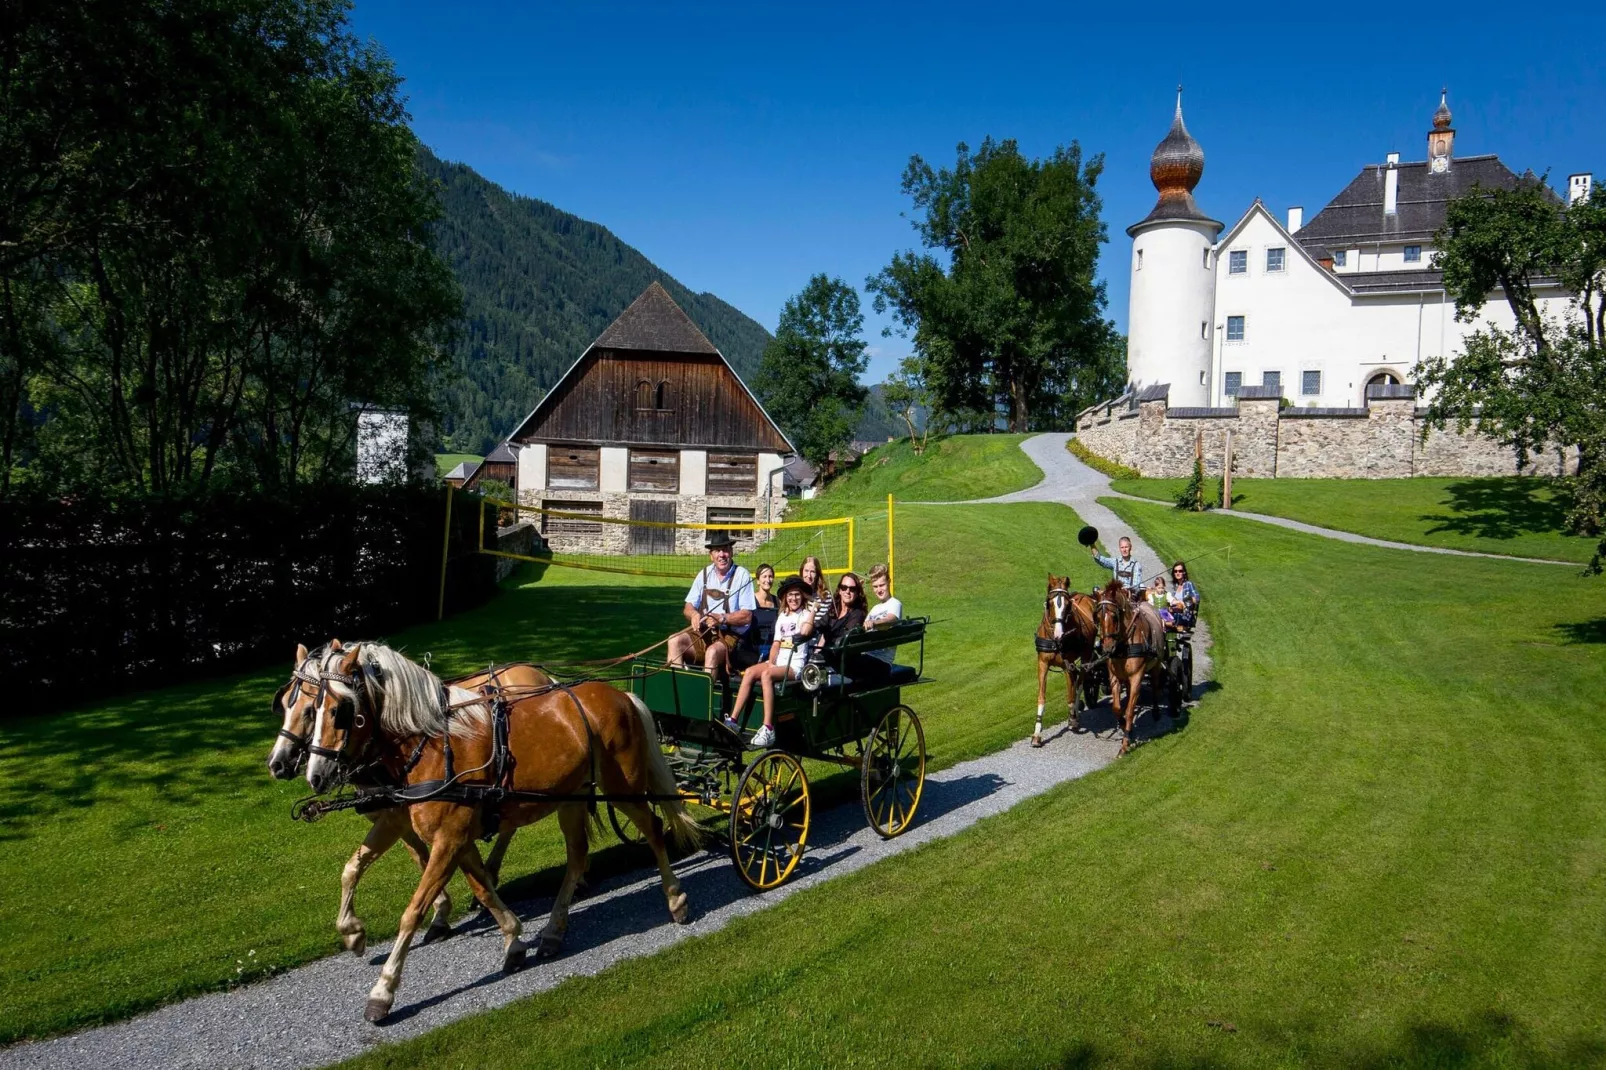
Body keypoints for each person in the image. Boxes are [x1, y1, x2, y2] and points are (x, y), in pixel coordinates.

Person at [725, 576, 814, 747]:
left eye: (796, 595)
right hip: (779, 662)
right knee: (750, 671)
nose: (793, 598)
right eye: (790, 595)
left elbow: (806, 631)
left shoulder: (805, 615)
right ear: (785, 598)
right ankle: (734, 720)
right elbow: (776, 644)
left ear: (802, 596)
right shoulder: (783, 617)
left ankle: (768, 727)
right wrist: (772, 660)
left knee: (766, 675)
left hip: (795, 666)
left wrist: (813, 610)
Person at [666, 531, 755, 675]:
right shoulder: (704, 574)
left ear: (731, 552)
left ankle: (704, 695)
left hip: (731, 636)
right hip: (704, 632)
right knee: (673, 640)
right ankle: (681, 690)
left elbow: (747, 616)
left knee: (712, 653)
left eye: (725, 550)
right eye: (717, 551)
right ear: (711, 555)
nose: (722, 555)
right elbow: (688, 607)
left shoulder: (742, 575)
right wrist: (694, 615)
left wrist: (722, 618)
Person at [731, 563, 779, 672]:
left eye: (770, 576)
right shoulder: (749, 601)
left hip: (772, 647)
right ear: (758, 580)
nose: (768, 579)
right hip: (752, 648)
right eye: (764, 576)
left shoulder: (777, 602)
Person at [1167, 561, 1200, 628]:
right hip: (1174, 613)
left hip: (1185, 615)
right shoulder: (1175, 587)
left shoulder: (1188, 584)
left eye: (1180, 571)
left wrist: (1184, 602)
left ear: (1184, 572)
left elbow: (1197, 598)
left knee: (1174, 617)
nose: (1177, 573)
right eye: (1175, 571)